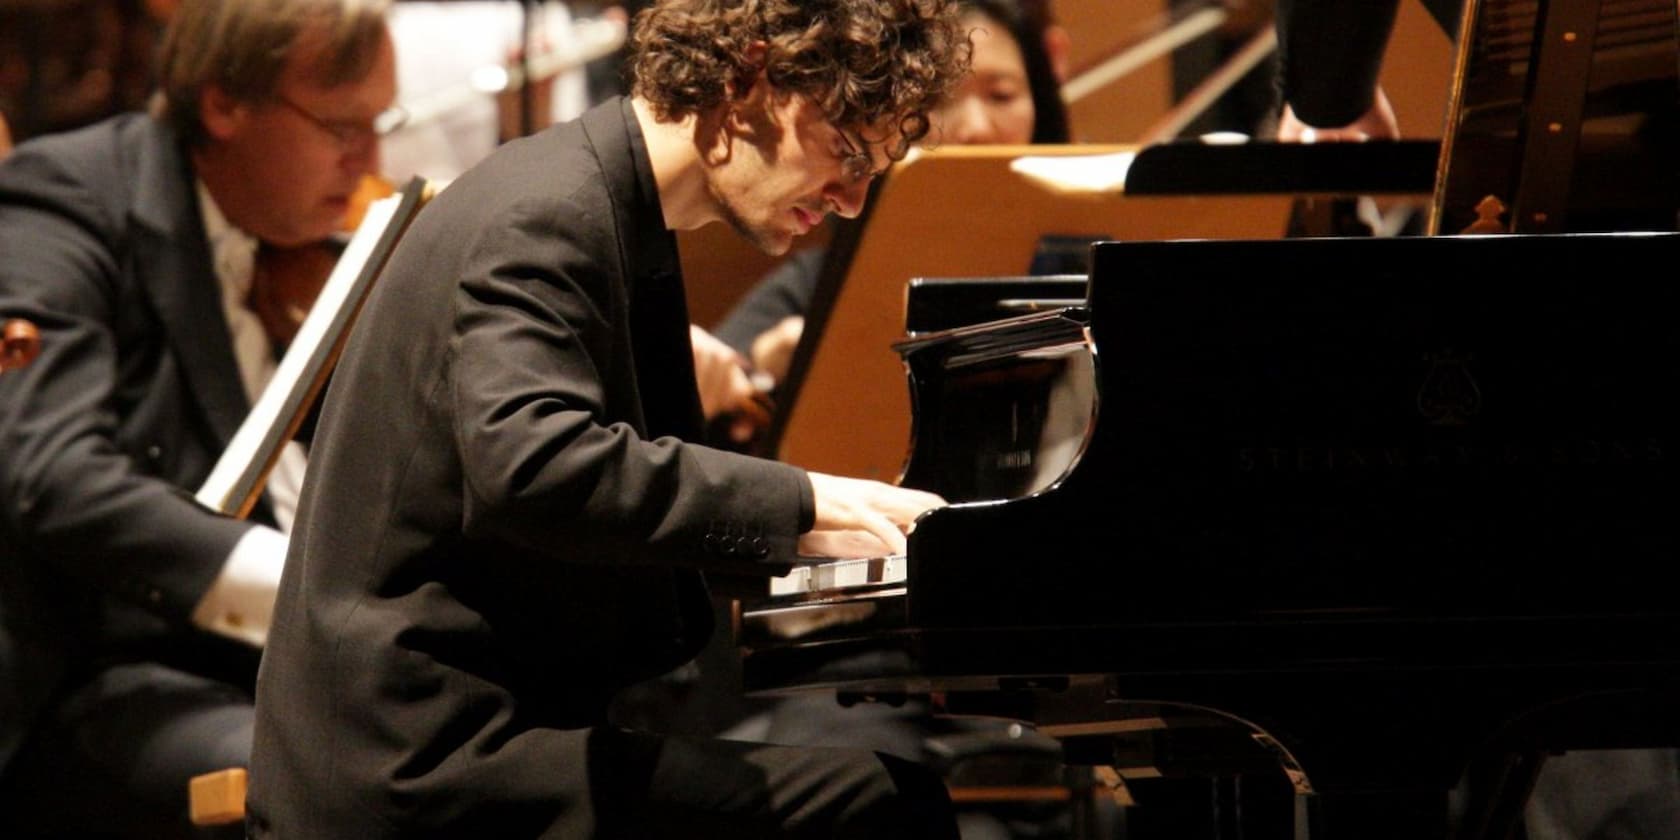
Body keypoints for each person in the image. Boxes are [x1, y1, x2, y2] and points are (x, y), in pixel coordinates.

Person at [244, 0, 971, 836]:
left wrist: (846, 564)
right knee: (883, 808)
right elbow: (534, 466)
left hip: (471, 727)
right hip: (417, 761)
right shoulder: (551, 212)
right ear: (750, 79)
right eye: (846, 153)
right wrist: (806, 507)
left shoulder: (608, 209)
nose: (851, 201)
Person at [0, 1, 398, 836]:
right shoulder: (61, 203)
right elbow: (53, 475)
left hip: (269, 666)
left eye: (379, 124)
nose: (371, 162)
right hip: (101, 673)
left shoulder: (304, 244)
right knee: (362, 778)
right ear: (223, 105)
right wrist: (305, 592)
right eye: (341, 127)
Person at [708, 0, 1071, 417]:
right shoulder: (826, 279)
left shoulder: (1082, 254)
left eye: (1002, 94)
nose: (976, 129)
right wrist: (766, 363)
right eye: (941, 99)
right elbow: (715, 376)